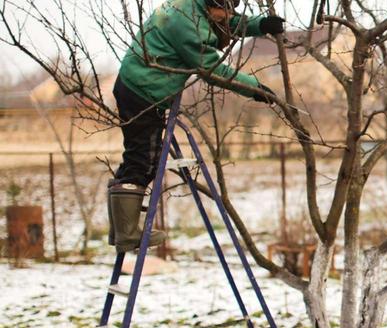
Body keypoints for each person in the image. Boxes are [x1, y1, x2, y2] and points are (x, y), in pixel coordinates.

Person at [108, 0, 285, 253]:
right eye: (226, 10)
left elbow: (223, 21)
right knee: (143, 162)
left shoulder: (194, 7)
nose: (228, 16)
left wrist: (259, 25)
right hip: (143, 92)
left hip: (138, 85)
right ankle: (126, 234)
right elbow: (211, 69)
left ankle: (119, 230)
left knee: (136, 157)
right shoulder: (187, 24)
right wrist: (254, 88)